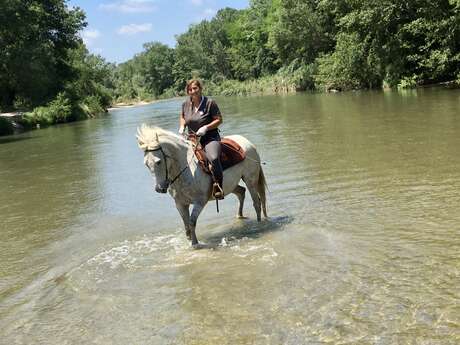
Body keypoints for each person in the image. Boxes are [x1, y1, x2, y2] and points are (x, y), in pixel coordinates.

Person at [179, 79, 224, 199]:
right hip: (191, 139)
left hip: (209, 137)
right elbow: (183, 116)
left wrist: (206, 127)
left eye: (195, 88)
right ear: (187, 91)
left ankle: (218, 186)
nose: (193, 91)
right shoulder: (185, 104)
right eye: (190, 89)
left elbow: (219, 120)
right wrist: (182, 126)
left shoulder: (210, 103)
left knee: (213, 158)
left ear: (200, 88)